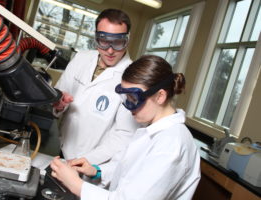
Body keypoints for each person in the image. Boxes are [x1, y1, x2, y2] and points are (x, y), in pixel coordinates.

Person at [50, 55, 201, 200]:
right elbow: (129, 171)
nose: (128, 107)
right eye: (125, 98)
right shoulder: (152, 130)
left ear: (160, 96)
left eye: (133, 98)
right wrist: (97, 171)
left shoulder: (171, 145)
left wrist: (76, 184)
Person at [53, 9, 139, 164]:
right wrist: (59, 105)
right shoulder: (81, 58)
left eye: (118, 42)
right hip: (63, 148)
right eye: (104, 41)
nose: (111, 50)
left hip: (96, 163)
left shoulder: (133, 78)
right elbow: (59, 95)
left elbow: (125, 134)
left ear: (127, 39)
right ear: (96, 37)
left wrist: (86, 161)